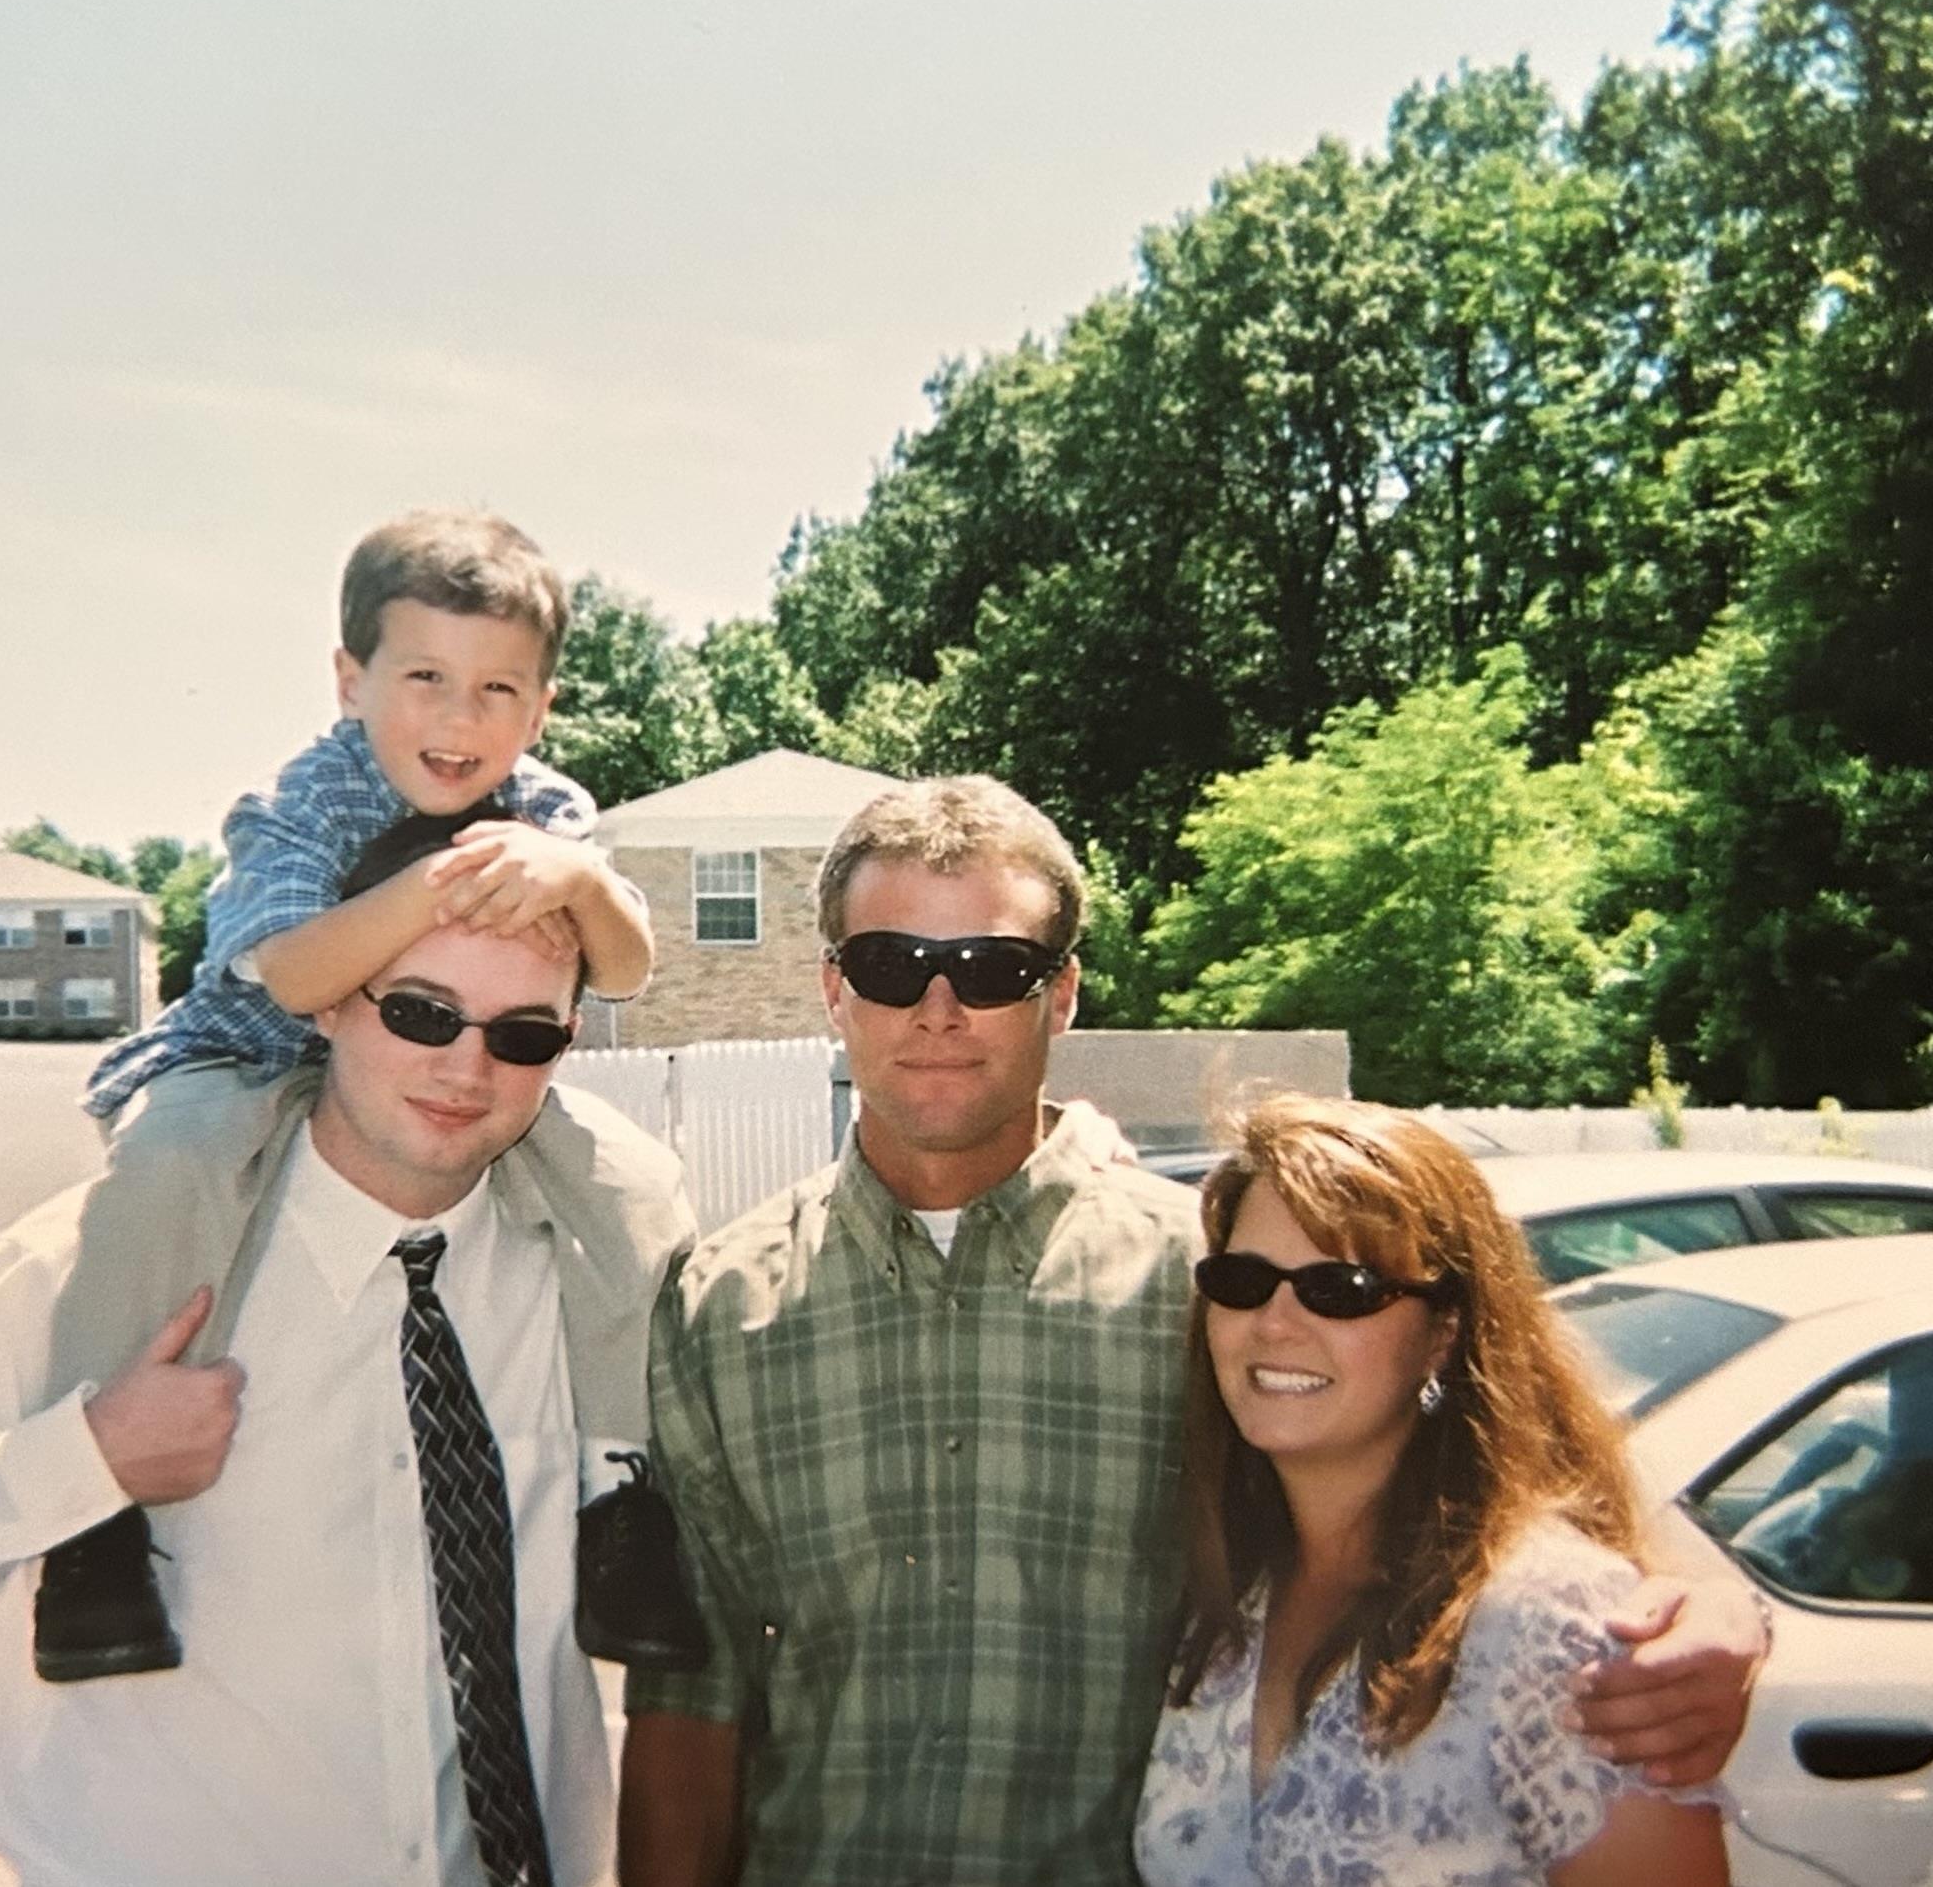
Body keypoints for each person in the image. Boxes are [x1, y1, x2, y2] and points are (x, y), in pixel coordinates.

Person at [619, 777, 1762, 1887]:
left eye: (991, 968)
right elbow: (691, 1699)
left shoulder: (1221, 1288)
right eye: (891, 964)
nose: (938, 1006)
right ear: (832, 987)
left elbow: (1506, 1456)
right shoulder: (720, 1304)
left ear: (1060, 995)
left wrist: (1717, 1612)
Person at [0, 887, 638, 1887]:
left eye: (522, 1035)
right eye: (420, 1012)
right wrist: (85, 1457)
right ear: (329, 1004)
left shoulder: (588, 1289)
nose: (465, 1064)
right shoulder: (98, 1266)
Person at [50, 507, 697, 1681]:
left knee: (627, 1180)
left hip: (439, 1054)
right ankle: (91, 1527)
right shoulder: (301, 800)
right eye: (425, 678)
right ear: (350, 679)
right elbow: (294, 972)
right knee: (163, 1167)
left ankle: (620, 1494)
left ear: (541, 706)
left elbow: (631, 967)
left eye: (499, 689)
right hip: (246, 1059)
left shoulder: (548, 813)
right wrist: (442, 887)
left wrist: (581, 880)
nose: (460, 721)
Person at [1137, 1096, 1731, 1887]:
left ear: (1442, 1334)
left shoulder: (1551, 1625)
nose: (1274, 1323)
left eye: (1340, 1288)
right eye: (1242, 1281)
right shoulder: (1225, 1598)